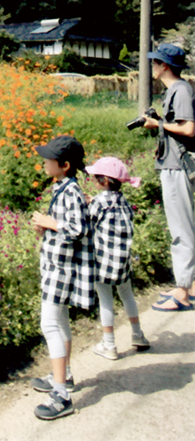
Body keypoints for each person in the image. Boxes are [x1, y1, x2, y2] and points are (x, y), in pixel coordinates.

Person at [30, 135, 94, 421]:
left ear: (65, 165)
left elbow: (78, 228)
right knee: (61, 321)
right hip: (57, 265)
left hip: (61, 268)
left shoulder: (71, 191)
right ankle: (64, 376)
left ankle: (61, 395)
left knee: (50, 325)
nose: (44, 162)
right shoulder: (63, 187)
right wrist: (48, 227)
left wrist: (49, 222)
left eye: (49, 159)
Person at [142, 44, 195, 312]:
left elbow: (188, 128)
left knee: (181, 229)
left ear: (165, 66)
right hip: (171, 164)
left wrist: (158, 124)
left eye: (155, 62)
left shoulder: (181, 90)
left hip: (177, 167)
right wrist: (160, 122)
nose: (152, 66)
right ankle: (185, 285)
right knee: (181, 226)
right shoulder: (175, 91)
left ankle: (183, 292)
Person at [85, 157, 150, 358]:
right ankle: (137, 334)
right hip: (122, 261)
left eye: (95, 178)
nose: (92, 180)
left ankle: (109, 344)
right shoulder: (123, 201)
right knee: (127, 294)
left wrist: (89, 203)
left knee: (105, 300)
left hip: (102, 261)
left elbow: (89, 221)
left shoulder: (98, 202)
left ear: (104, 181)